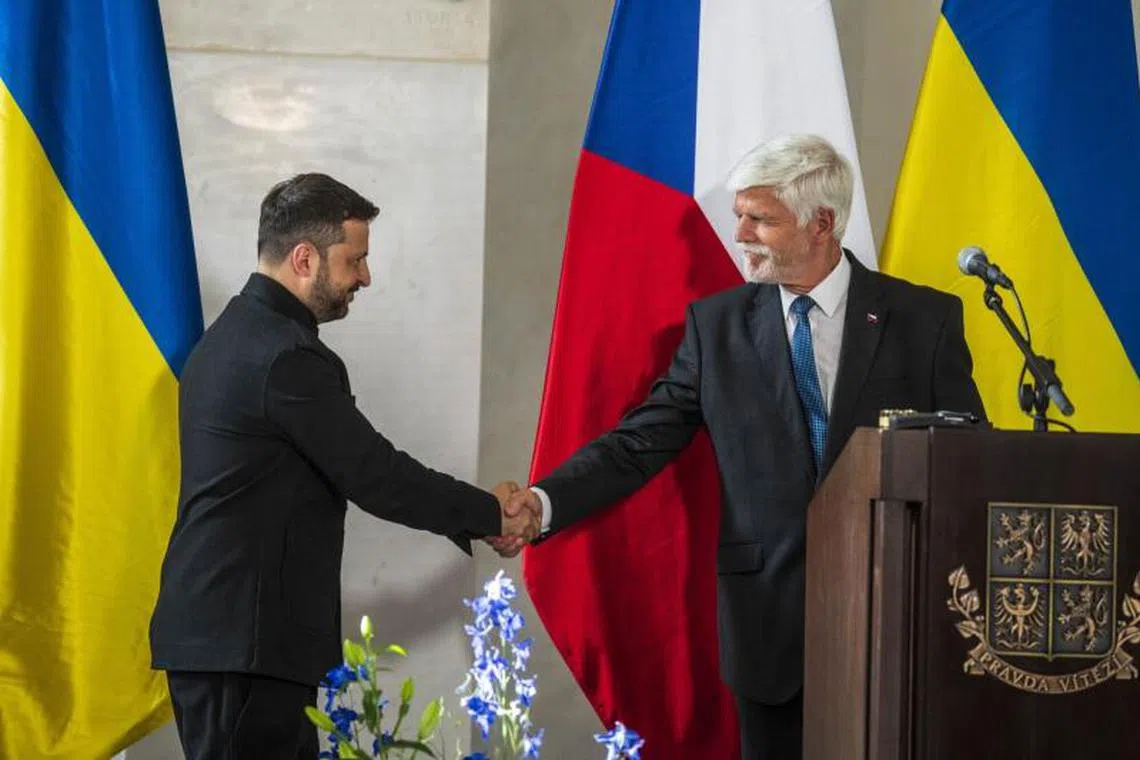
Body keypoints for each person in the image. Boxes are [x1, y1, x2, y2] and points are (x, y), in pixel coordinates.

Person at [492, 135, 986, 759]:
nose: (741, 232)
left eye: (761, 218)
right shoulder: (717, 327)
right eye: (741, 214)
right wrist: (542, 502)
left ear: (823, 224)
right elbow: (638, 442)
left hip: (899, 621)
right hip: (770, 627)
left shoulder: (923, 320)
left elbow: (968, 457)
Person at [150, 173, 538, 759]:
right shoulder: (284, 357)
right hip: (245, 644)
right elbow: (376, 475)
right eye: (354, 260)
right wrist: (491, 513)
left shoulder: (235, 337)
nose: (365, 277)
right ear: (305, 258)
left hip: (230, 640)